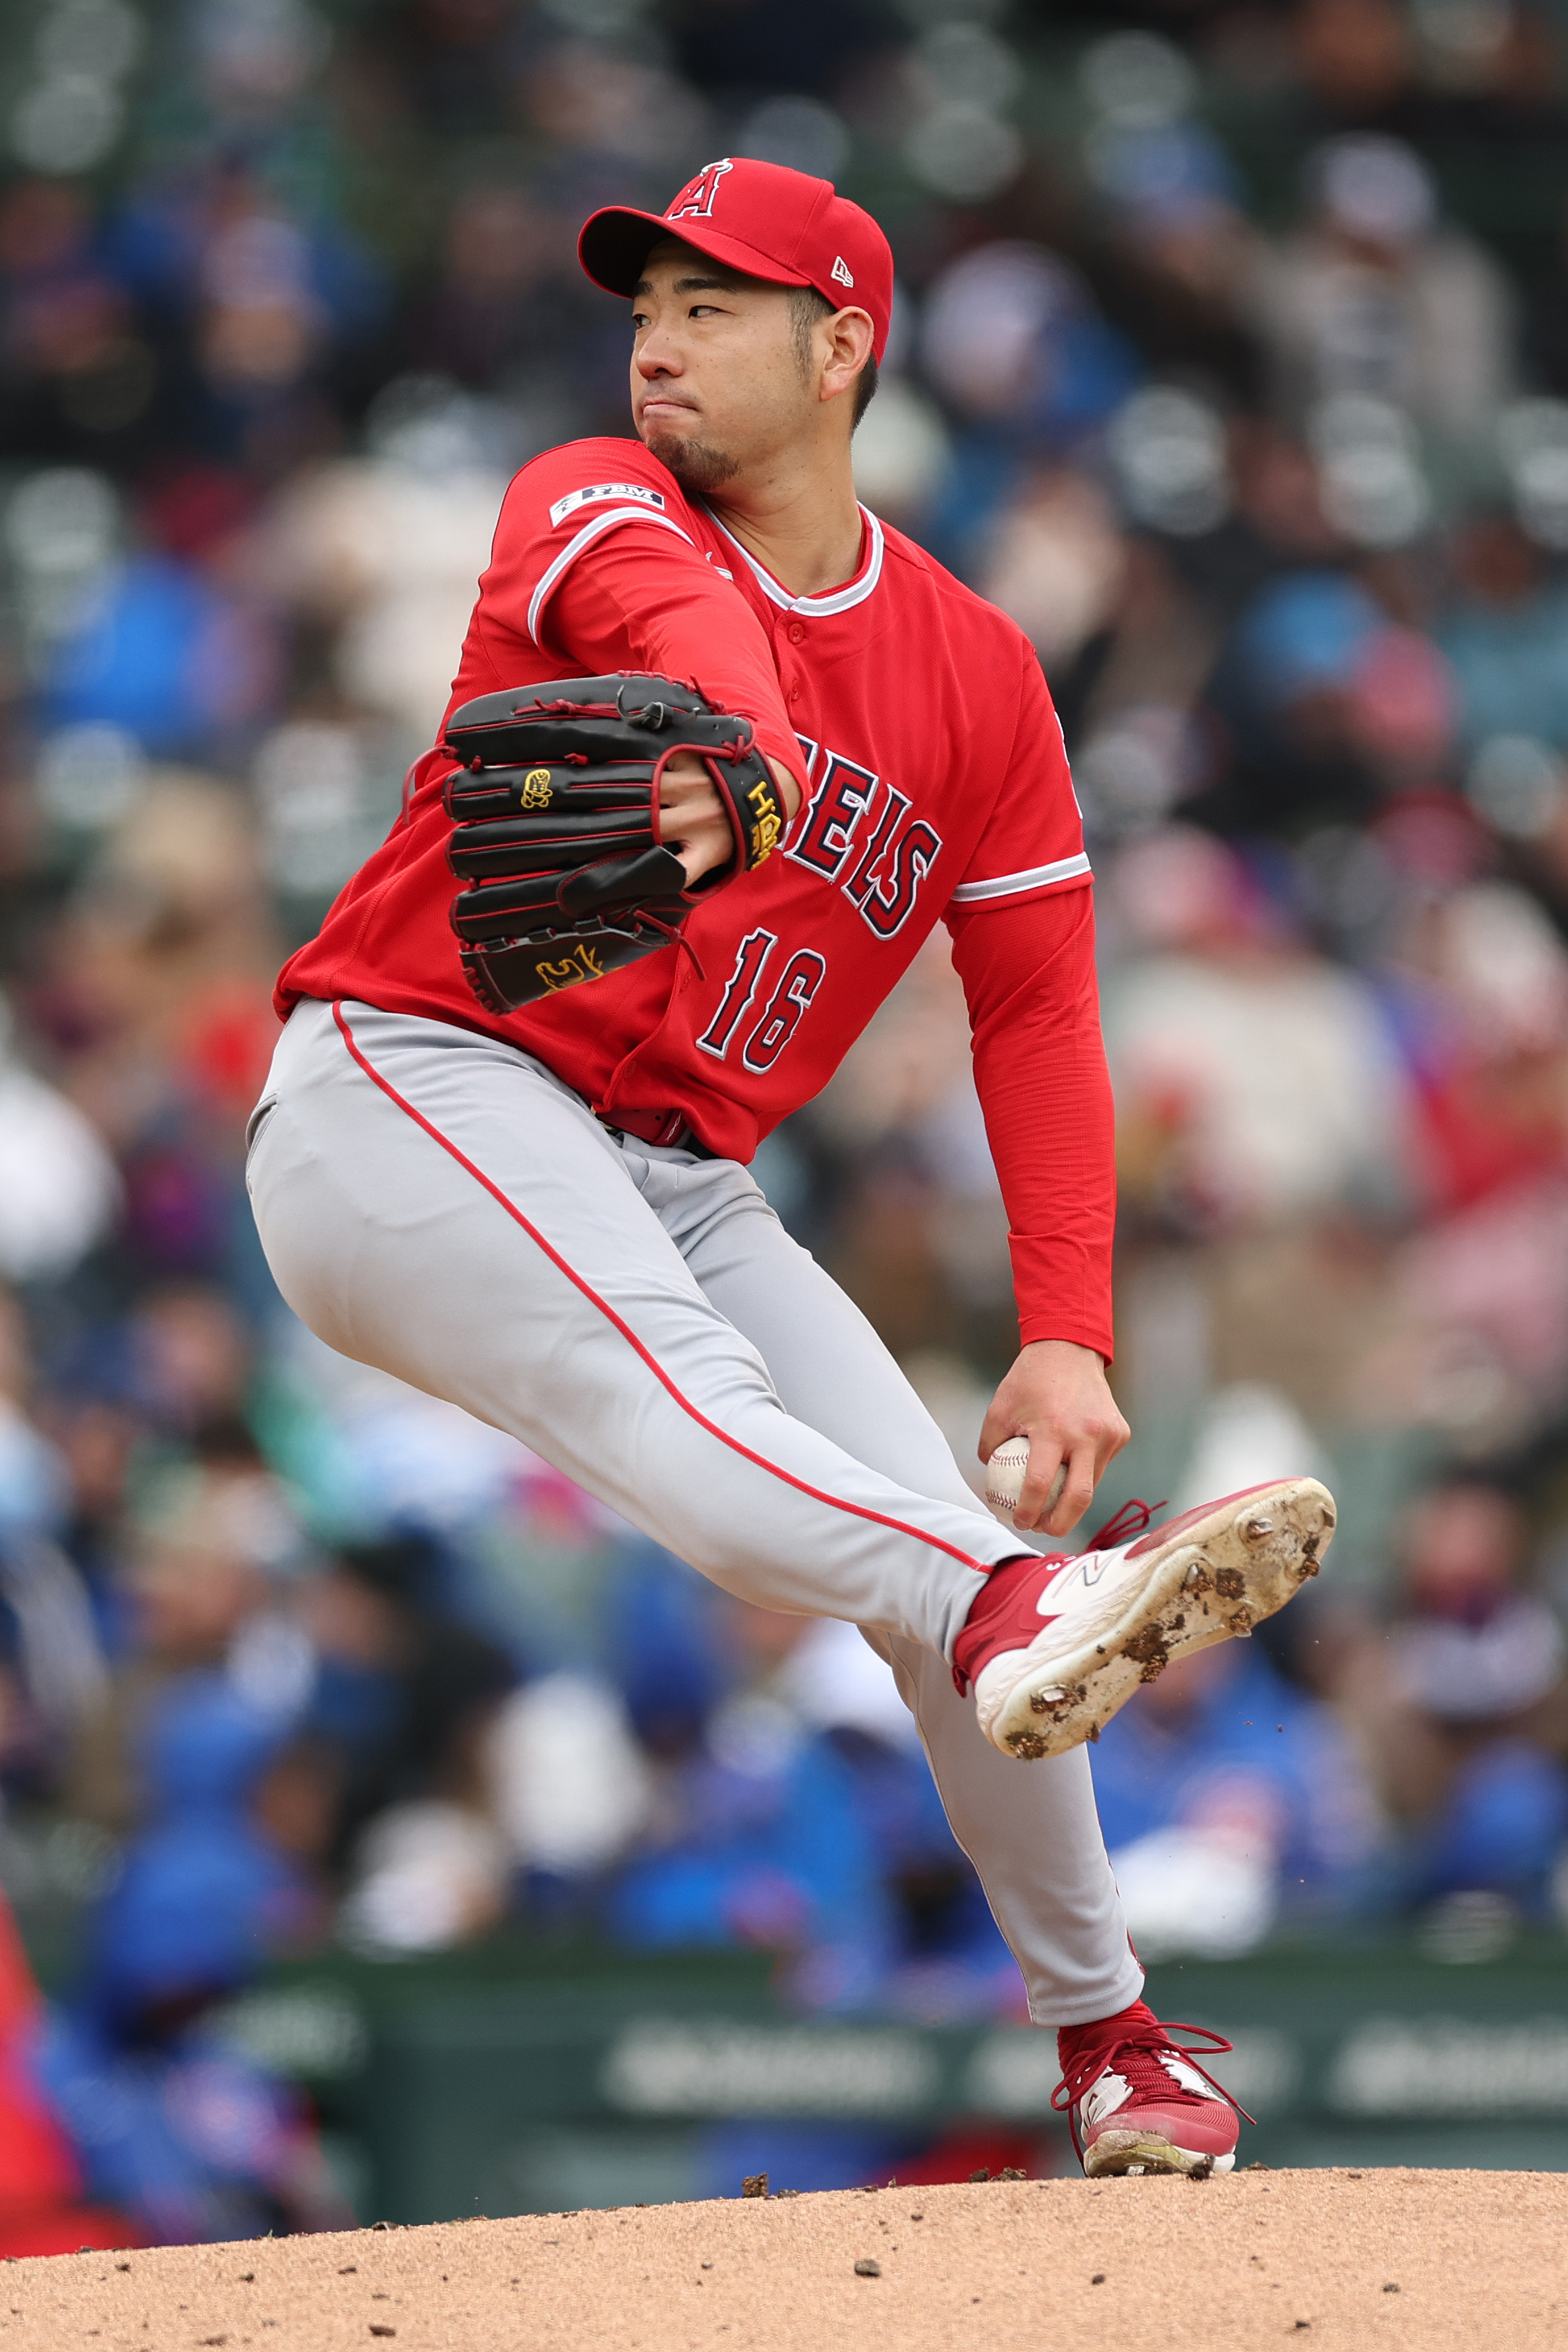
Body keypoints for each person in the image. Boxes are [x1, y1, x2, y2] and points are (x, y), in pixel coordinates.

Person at [245, 156, 1335, 2177]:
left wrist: (1067, 1334)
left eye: (713, 303)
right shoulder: (592, 495)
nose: (655, 333)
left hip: (667, 1163)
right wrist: (736, 755)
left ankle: (1108, 2039)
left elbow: (1034, 1007)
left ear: (841, 345)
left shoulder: (974, 669)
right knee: (728, 1427)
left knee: (919, 1540)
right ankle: (1022, 1599)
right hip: (407, 1084)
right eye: (645, 297)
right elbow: (685, 638)